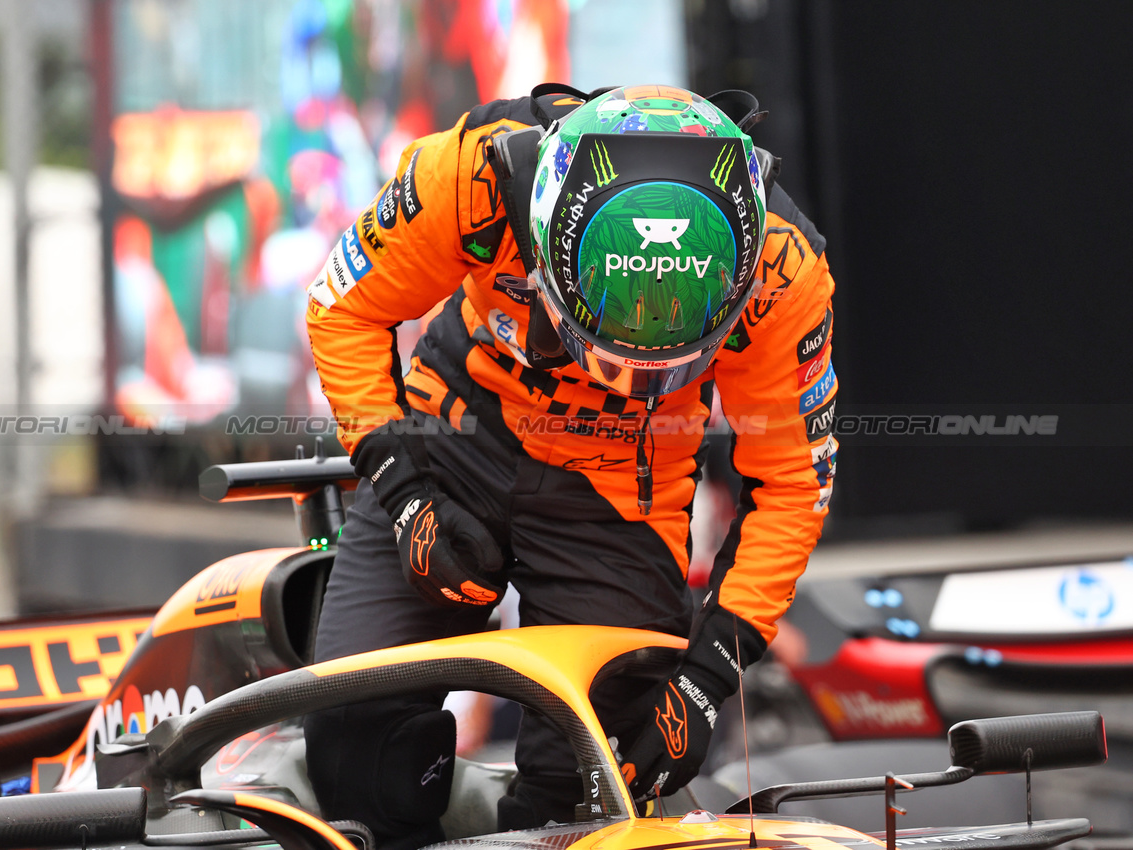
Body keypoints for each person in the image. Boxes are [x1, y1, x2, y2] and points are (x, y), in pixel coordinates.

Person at [302, 83, 838, 849]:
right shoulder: (469, 174)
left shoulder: (784, 270)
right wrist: (404, 490)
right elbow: (341, 307)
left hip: (622, 494)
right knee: (357, 753)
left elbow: (792, 479)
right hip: (455, 440)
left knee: (593, 795)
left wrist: (711, 674)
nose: (630, 375)